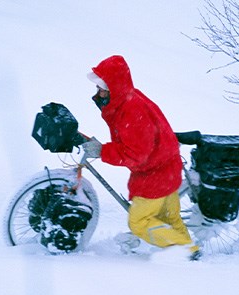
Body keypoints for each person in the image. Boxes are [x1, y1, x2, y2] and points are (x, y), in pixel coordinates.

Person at [81, 55, 200, 261]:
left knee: (139, 222)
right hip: (167, 167)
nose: (98, 92)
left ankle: (187, 250)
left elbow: (135, 154)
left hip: (156, 175)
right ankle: (188, 259)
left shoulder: (131, 110)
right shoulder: (128, 99)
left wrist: (102, 151)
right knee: (169, 219)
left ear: (113, 87)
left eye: (102, 87)